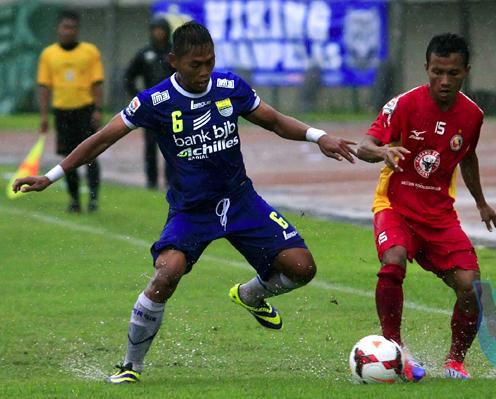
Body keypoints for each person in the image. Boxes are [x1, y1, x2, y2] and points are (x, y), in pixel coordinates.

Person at [13, 21, 356, 384]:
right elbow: (101, 139)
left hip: (241, 201)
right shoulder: (154, 101)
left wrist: (319, 137)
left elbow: (273, 121)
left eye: (210, 61)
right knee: (168, 273)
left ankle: (250, 295)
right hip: (192, 211)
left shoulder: (229, 87)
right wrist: (50, 176)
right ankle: (131, 365)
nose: (205, 71)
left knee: (302, 268)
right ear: (174, 61)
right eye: (196, 64)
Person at [356, 33, 496, 380]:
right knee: (393, 261)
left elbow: (468, 156)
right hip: (396, 206)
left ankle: (454, 363)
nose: (444, 81)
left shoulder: (472, 115)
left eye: (452, 73)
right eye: (437, 72)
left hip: (439, 216)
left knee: (472, 285)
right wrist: (383, 152)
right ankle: (395, 350)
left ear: (466, 70)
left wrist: (481, 203)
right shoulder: (403, 105)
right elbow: (364, 145)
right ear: (426, 68)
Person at [37, 10, 104, 212]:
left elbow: (97, 83)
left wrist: (98, 109)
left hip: (85, 110)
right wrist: (43, 115)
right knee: (68, 158)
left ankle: (93, 200)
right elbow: (44, 86)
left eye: (73, 27)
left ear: (77, 30)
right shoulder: (49, 54)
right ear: (58, 28)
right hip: (62, 112)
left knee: (91, 155)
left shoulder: (89, 51)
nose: (69, 31)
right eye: (65, 27)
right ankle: (74, 200)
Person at [123, 17, 175, 189]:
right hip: (151, 108)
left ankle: (171, 182)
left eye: (161, 29)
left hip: (173, 106)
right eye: (155, 29)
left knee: (174, 144)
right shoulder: (144, 54)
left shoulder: (174, 54)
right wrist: (137, 97)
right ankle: (151, 182)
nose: (158, 33)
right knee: (151, 146)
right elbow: (128, 76)